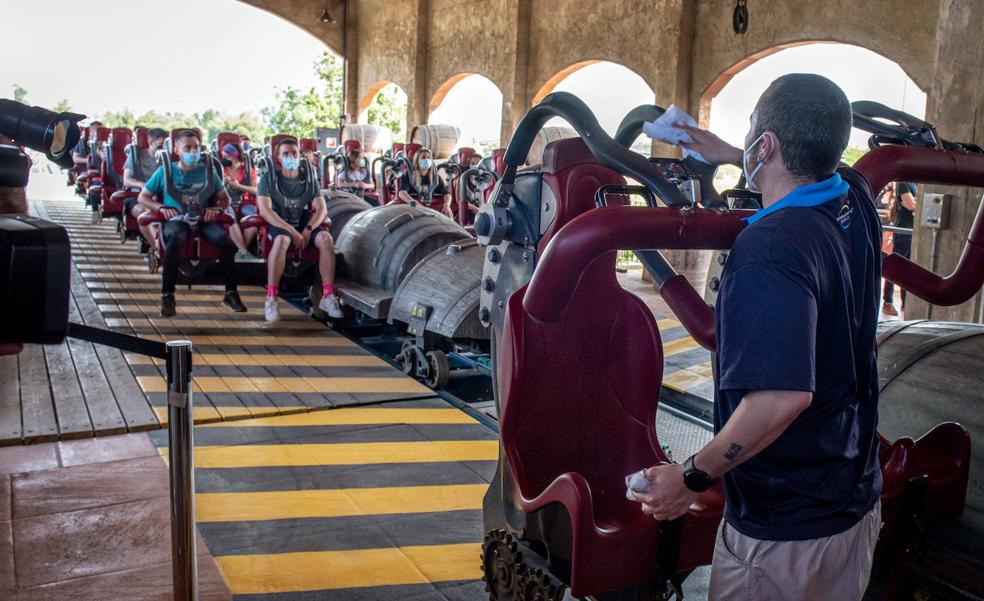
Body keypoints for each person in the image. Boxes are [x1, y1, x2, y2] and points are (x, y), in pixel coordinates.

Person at [630, 74, 882, 600]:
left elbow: (780, 398)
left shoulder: (769, 248)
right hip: (852, 501)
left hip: (784, 531)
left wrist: (689, 477)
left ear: (764, 146)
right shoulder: (854, 201)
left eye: (751, 132)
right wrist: (729, 152)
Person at [137, 129, 247, 317]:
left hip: (203, 217)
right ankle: (168, 295)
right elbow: (143, 197)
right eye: (188, 148)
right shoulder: (166, 171)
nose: (193, 151)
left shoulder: (209, 172)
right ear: (177, 150)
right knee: (176, 238)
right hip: (176, 218)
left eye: (196, 148)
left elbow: (225, 199)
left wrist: (217, 209)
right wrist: (161, 207)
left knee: (225, 241)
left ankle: (231, 292)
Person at [256, 137, 343, 322]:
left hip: (303, 219)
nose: (291, 157)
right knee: (282, 240)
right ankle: (271, 297)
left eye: (294, 153)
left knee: (326, 239)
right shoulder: (269, 179)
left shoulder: (308, 177)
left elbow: (321, 209)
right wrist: (291, 230)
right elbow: (265, 209)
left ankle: (327, 295)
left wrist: (309, 228)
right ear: (278, 158)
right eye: (286, 153)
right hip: (279, 220)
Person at [124, 127, 168, 250]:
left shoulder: (167, 158)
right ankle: (158, 248)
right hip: (137, 195)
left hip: (159, 196)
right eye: (160, 146)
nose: (162, 149)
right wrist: (141, 185)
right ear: (151, 143)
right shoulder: (137, 156)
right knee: (146, 214)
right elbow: (126, 180)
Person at [219, 142, 259, 259]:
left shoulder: (247, 169)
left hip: (244, 201)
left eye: (227, 156)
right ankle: (243, 251)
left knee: (254, 217)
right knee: (229, 216)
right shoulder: (221, 169)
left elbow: (256, 190)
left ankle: (240, 251)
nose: (224, 159)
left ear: (235, 157)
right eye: (223, 156)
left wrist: (238, 186)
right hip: (226, 201)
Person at [883, 181, 916, 315]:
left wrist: (915, 203)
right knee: (895, 266)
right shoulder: (904, 183)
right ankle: (888, 301)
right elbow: (910, 205)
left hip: (912, 230)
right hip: (903, 230)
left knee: (908, 270)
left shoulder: (915, 184)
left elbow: (913, 205)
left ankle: (905, 303)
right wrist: (916, 203)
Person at [397, 148, 451, 217]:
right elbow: (401, 192)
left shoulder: (435, 177)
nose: (426, 159)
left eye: (428, 157)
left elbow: (447, 193)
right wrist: (416, 204)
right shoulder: (409, 175)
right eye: (423, 157)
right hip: (413, 209)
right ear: (417, 161)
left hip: (431, 209)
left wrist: (447, 205)